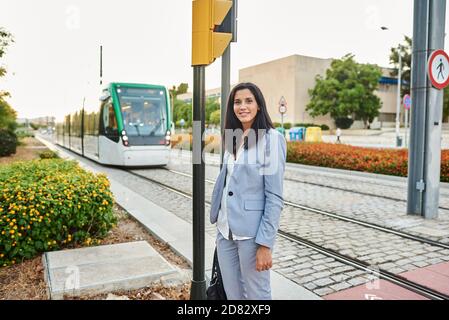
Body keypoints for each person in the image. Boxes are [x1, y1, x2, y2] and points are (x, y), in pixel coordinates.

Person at [209, 82, 287, 300]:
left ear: (259, 105)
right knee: (233, 296)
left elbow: (274, 196)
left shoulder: (271, 139)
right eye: (237, 102)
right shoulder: (233, 137)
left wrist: (265, 244)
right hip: (225, 231)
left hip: (252, 235)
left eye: (248, 101)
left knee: (257, 296)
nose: (242, 106)